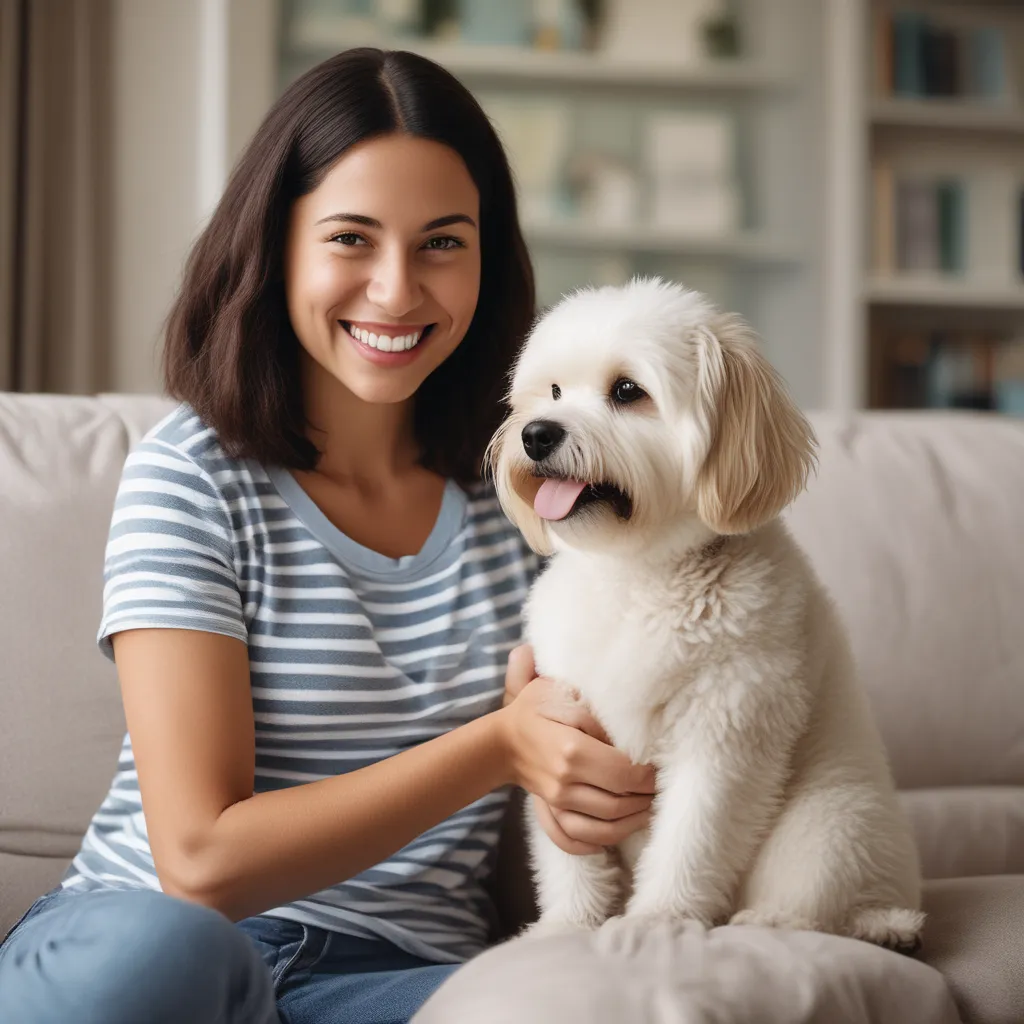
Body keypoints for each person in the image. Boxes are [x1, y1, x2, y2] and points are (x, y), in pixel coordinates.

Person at [0, 48, 655, 1024]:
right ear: (279, 247)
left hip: (389, 980)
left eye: (442, 243)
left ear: (489, 257)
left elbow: (603, 755)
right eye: (351, 238)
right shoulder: (193, 475)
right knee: (159, 957)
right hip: (155, 947)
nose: (396, 291)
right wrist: (499, 745)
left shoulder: (526, 494)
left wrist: (578, 775)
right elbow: (201, 859)